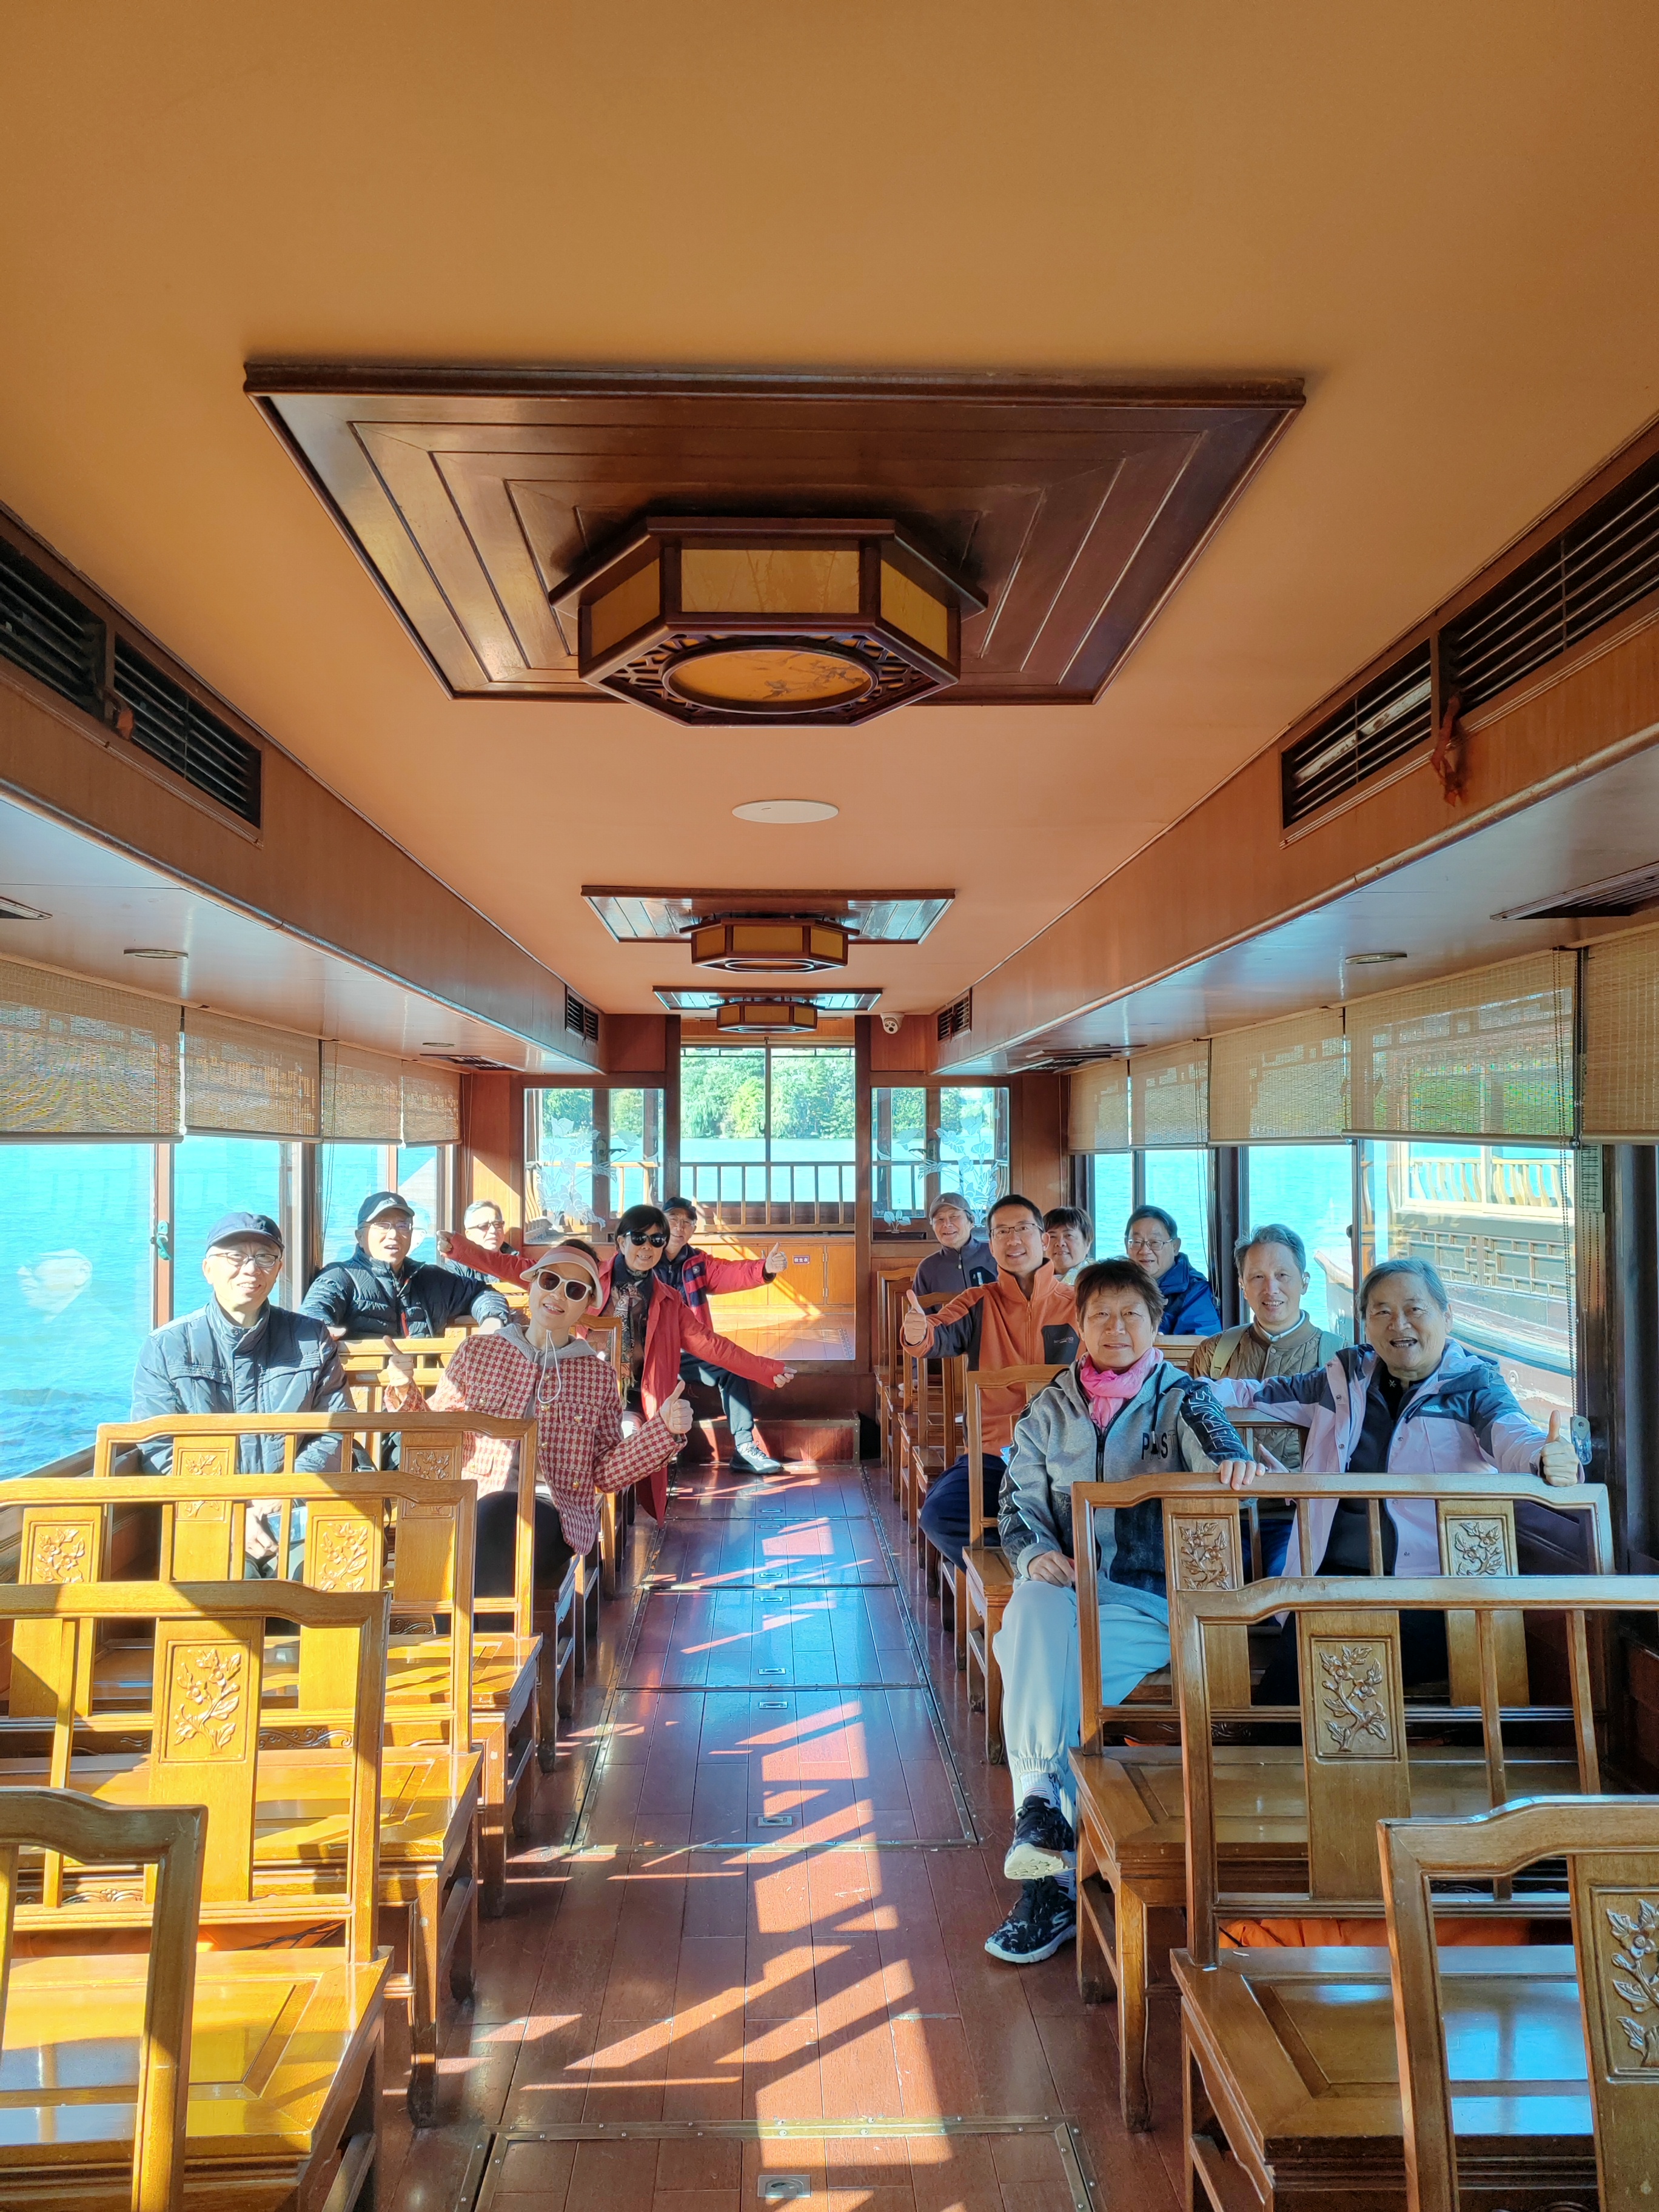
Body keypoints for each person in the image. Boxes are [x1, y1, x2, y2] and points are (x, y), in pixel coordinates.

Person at [984, 1258, 1260, 1964]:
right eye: (1101, 1315)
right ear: (1078, 1326)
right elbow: (1016, 1502)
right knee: (1031, 1609)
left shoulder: (1184, 1400)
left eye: (1131, 1314)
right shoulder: (1049, 1409)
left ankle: (1045, 1868)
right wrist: (1033, 1554)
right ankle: (1046, 1820)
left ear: (1155, 1324)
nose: (1116, 1328)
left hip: (1148, 1602)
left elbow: (1224, 1449)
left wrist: (1234, 1467)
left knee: (1029, 1660)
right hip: (1066, 1592)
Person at [1207, 1253, 1584, 1697]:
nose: (1398, 1324)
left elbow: (1514, 1436)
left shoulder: (1473, 1386)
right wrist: (1170, 1386)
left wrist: (1547, 1457)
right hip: (1331, 1580)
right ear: (1365, 1324)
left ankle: (1278, 1735)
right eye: (1381, 1312)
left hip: (1431, 1592)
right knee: (1309, 1645)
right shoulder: (1344, 1379)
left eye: (1414, 1309)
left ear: (1447, 1317)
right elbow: (1253, 1393)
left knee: (1314, 1662)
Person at [438, 1202, 796, 1517]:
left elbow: (712, 1346)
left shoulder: (669, 1300)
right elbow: (514, 1266)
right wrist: (460, 1249)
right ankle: (596, 1524)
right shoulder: (584, 1281)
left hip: (640, 1395)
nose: (647, 1247)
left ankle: (608, 1527)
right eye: (638, 1238)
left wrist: (768, 1369)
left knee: (630, 1435)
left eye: (657, 1240)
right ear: (621, 1242)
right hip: (584, 1391)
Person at [382, 1241, 692, 1594]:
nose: (558, 1295)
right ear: (532, 1283)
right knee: (483, 1523)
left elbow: (604, 1472)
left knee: (496, 1515)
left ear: (587, 1304)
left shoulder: (596, 1376)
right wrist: (404, 1389)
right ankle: (477, 1627)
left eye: (574, 1290)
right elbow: (436, 1438)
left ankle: (463, 1626)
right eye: (549, 1281)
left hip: (554, 1512)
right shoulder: (477, 1352)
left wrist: (663, 1430)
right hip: (472, 1501)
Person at [130, 1213, 353, 1567]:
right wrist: (229, 1510)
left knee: (316, 1580)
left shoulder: (311, 1338)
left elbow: (336, 1428)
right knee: (225, 1586)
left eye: (265, 1258)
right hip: (205, 1517)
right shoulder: (168, 1346)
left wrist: (285, 1493)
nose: (251, 1269)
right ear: (208, 1269)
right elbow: (159, 1446)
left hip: (299, 1510)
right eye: (235, 1257)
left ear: (278, 1270)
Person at [902, 1193, 1080, 1574]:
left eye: (1022, 1229)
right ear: (992, 1243)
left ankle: (1043, 1572)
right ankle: (1032, 1571)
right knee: (938, 1516)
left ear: (1043, 1239)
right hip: (995, 1454)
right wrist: (918, 1333)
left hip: (1068, 1454)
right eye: (1001, 1232)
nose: (1013, 1239)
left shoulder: (1079, 1304)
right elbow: (938, 1333)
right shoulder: (977, 1301)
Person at [1188, 1224, 1343, 1478]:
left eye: (1282, 1275)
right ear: (1242, 1285)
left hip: (1304, 1499)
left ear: (1305, 1282)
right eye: (1258, 1277)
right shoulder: (1213, 1353)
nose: (1271, 1289)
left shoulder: (1338, 1357)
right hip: (1224, 1496)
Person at [658, 1197, 789, 1475]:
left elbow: (730, 1273)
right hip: (652, 1355)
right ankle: (658, 1451)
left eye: (687, 1223)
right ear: (661, 1222)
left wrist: (765, 1268)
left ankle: (744, 1448)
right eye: (673, 1220)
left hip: (691, 1353)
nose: (680, 1228)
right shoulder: (645, 1258)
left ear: (693, 1230)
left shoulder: (697, 1263)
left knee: (732, 1369)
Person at [302, 1191, 511, 1342]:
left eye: (403, 1225)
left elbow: (482, 1292)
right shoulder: (340, 1277)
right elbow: (313, 1313)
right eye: (382, 1225)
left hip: (427, 1387)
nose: (394, 1234)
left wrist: (492, 1319)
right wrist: (322, 1329)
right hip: (364, 1387)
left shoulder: (430, 1279)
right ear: (360, 1236)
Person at [1124, 1205, 1221, 1336]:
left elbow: (1203, 1343)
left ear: (1175, 1247)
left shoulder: (1195, 1290)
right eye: (1137, 1242)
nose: (1145, 1251)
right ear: (1127, 1245)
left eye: (1155, 1242)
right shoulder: (1115, 1285)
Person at [913, 1193, 996, 1299]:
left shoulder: (995, 1254)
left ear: (971, 1222)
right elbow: (920, 1308)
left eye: (954, 1217)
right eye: (940, 1219)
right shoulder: (927, 1268)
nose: (947, 1224)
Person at [1041, 1205, 1093, 1285]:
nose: (1060, 1243)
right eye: (1052, 1236)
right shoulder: (1033, 1281)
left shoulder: (1097, 1281)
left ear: (1088, 1244)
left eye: (1069, 1235)